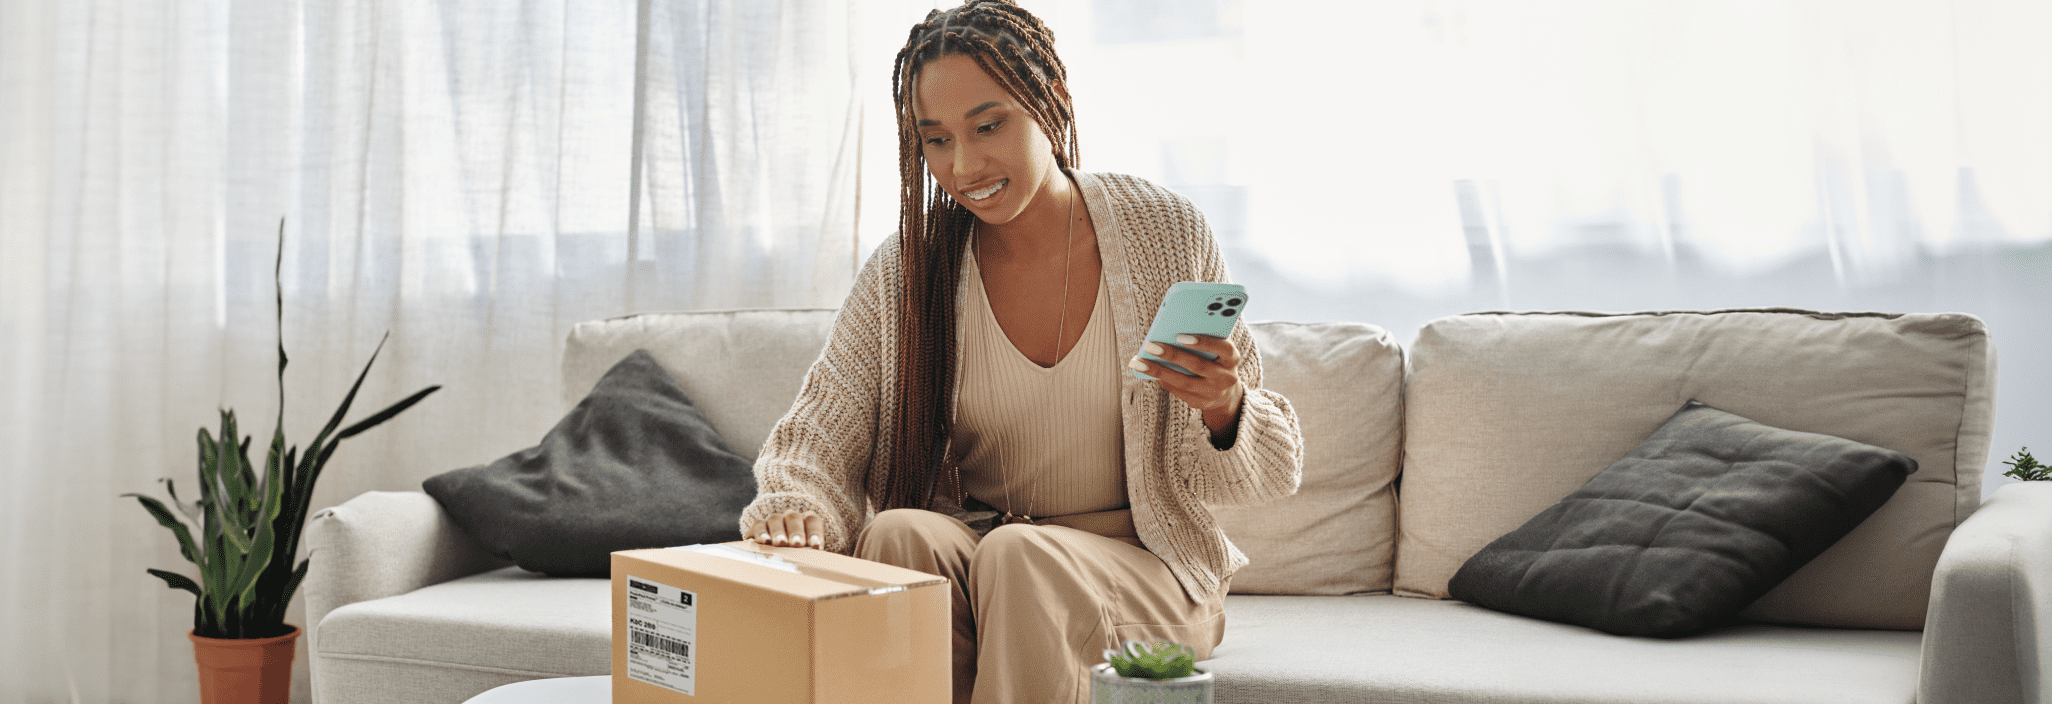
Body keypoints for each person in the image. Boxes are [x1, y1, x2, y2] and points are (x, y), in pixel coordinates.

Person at [737, 2, 1303, 702]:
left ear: (1053, 101)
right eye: (935, 139)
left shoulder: (1163, 231)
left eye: (989, 125)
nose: (962, 164)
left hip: (1147, 572)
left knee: (1020, 554)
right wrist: (793, 502)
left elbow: (1263, 479)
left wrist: (1226, 409)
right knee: (898, 535)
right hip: (987, 553)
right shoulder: (911, 271)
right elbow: (822, 425)